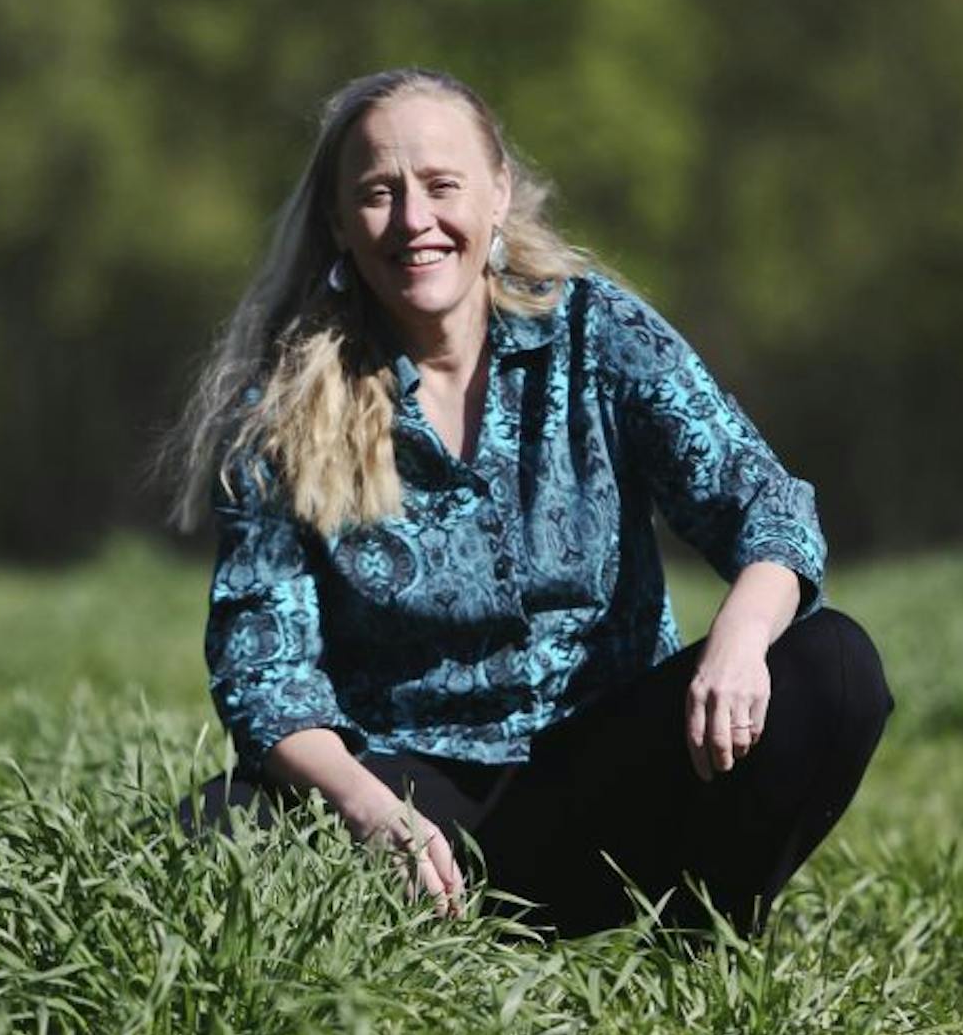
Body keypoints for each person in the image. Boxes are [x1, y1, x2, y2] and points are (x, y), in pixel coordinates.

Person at [162, 67, 892, 937]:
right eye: (378, 194)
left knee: (835, 667)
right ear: (337, 221)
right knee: (203, 840)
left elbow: (765, 506)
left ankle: (704, 936)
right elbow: (262, 673)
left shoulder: (598, 331)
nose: (414, 221)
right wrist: (365, 806)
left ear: (499, 192)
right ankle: (428, 926)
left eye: (441, 186)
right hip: (407, 801)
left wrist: (738, 640)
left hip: (615, 773)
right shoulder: (282, 408)